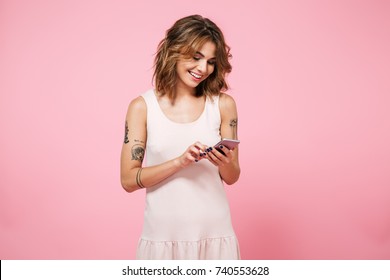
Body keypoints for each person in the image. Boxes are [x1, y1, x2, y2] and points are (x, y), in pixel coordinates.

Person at [120, 14, 240, 260]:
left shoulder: (223, 105)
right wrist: (179, 162)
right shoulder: (142, 107)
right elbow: (128, 180)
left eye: (210, 61)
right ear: (173, 51)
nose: (203, 69)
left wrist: (224, 161)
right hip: (163, 240)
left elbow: (233, 176)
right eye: (196, 57)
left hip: (215, 237)